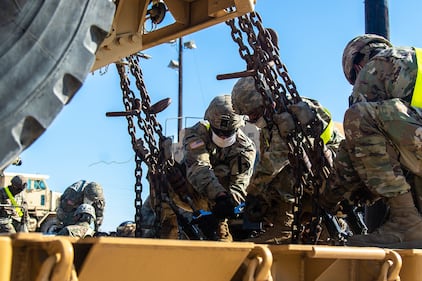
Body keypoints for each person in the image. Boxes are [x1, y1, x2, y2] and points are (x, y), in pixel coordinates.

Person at [320, 34, 422, 248]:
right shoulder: (412, 60)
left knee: (359, 117)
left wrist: (328, 197)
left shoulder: (375, 67)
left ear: (357, 65)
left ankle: (405, 221)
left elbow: (356, 149)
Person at [231, 76, 344, 244]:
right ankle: (289, 223)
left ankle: (285, 226)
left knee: (289, 162)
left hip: (335, 173)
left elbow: (276, 159)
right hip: (315, 180)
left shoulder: (296, 112)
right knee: (266, 186)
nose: (252, 120)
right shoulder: (268, 129)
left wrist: (253, 192)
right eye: (249, 116)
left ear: (267, 101)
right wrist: (260, 198)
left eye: (254, 113)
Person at [141, 95, 256, 241]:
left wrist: (222, 209)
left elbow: (240, 184)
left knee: (222, 172)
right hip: (191, 189)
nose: (223, 137)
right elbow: (199, 167)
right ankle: (168, 226)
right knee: (160, 175)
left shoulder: (245, 148)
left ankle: (221, 229)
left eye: (228, 133)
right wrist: (218, 195)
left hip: (223, 201)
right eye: (218, 132)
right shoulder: (194, 134)